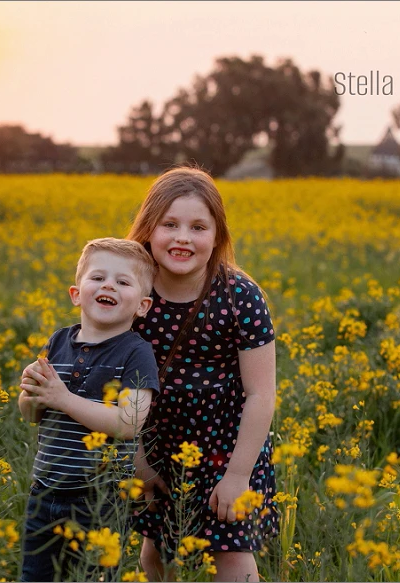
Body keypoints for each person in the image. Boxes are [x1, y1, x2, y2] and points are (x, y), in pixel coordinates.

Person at [127, 166, 279, 582]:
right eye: (169, 225)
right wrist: (139, 460)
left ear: (217, 236)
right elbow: (115, 381)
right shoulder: (133, 292)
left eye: (198, 227)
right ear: (148, 229)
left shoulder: (240, 296)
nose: (183, 238)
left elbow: (261, 394)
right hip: (157, 445)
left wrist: (238, 475)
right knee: (156, 553)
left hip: (229, 448)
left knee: (232, 557)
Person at [18, 237, 161, 582]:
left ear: (142, 306)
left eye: (122, 282)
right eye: (97, 278)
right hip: (45, 491)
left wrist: (62, 398)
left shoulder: (136, 353)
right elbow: (33, 415)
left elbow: (129, 423)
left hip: (101, 498)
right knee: (35, 577)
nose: (108, 285)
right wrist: (31, 394)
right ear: (76, 294)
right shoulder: (58, 342)